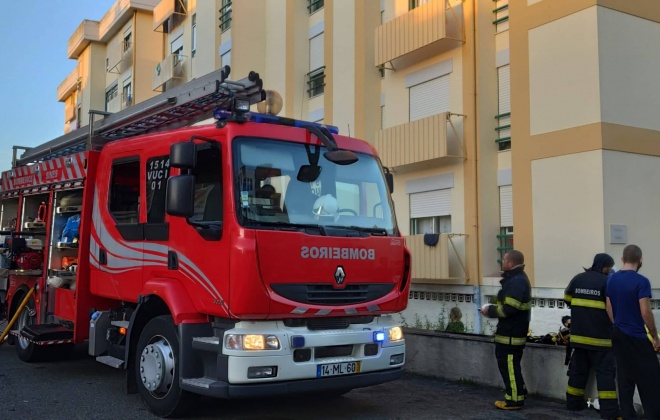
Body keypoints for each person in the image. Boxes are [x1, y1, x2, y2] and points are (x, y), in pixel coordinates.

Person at [606, 245, 660, 419]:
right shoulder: (641, 281)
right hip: (636, 335)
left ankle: (628, 415)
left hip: (618, 334)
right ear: (640, 259)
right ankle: (653, 414)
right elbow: (645, 311)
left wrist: (618, 324)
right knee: (650, 377)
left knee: (625, 378)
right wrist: (654, 336)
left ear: (622, 259)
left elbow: (608, 307)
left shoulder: (611, 280)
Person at [564, 253, 620, 420]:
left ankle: (573, 403)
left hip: (579, 337)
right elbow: (613, 308)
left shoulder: (578, 279)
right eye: (610, 267)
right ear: (605, 267)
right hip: (601, 339)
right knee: (605, 374)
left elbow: (567, 299)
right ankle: (609, 411)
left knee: (578, 371)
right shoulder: (607, 282)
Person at [481, 250, 532, 410]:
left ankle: (514, 400)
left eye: (504, 259)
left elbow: (509, 309)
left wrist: (490, 311)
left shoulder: (517, 282)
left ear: (510, 263)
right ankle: (519, 392)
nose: (502, 262)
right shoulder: (516, 280)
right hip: (510, 334)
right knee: (512, 366)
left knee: (509, 367)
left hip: (511, 335)